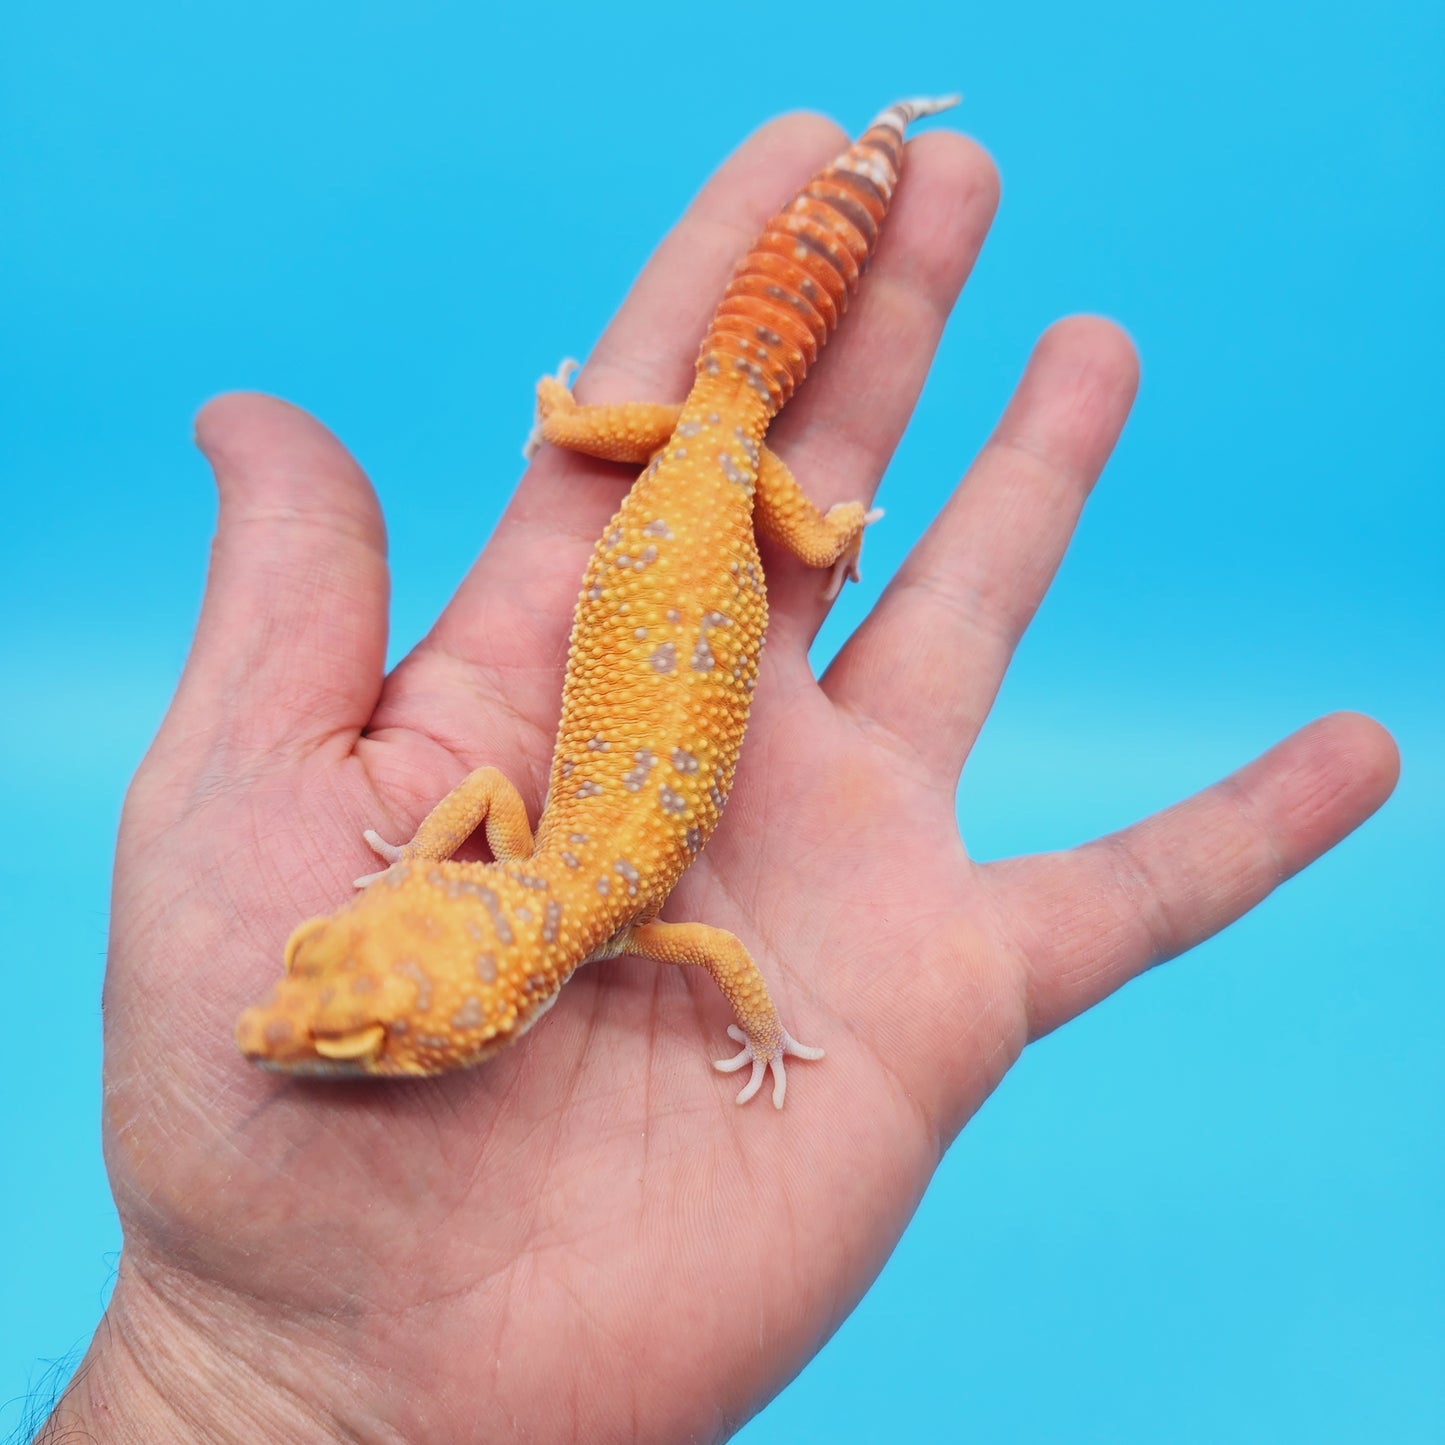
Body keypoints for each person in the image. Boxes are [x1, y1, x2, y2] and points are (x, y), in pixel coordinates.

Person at [39, 112, 1396, 1442]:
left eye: (348, 1030)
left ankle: (875, 156)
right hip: (704, 464)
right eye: (334, 1002)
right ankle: (864, 162)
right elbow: (577, 866)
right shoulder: (583, 887)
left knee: (731, 422)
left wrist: (452, 872)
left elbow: (660, 919)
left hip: (708, 461)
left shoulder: (607, 906)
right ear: (490, 990)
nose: (275, 1031)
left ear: (499, 1012)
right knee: (738, 436)